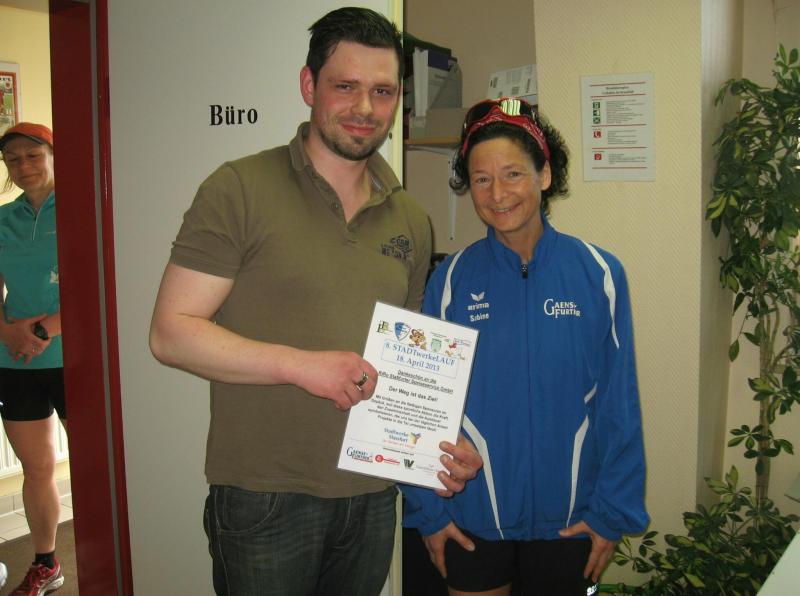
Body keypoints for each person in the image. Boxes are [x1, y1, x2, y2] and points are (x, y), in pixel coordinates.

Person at [149, 7, 481, 596]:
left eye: (382, 91)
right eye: (345, 86)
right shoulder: (239, 188)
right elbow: (171, 333)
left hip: (373, 493)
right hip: (264, 495)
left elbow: (406, 362)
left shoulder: (410, 217)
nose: (365, 108)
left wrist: (440, 444)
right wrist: (302, 366)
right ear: (309, 85)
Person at [400, 97, 649, 596]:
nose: (497, 194)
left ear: (544, 175)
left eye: (513, 174)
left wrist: (611, 512)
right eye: (481, 179)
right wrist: (429, 513)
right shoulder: (450, 281)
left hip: (571, 522)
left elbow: (618, 403)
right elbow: (418, 403)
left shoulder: (599, 274)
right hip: (470, 516)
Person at [0, 122, 66, 595]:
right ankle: (47, 563)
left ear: (52, 156)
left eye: (32, 155)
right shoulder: (3, 219)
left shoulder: (81, 209)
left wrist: (44, 330)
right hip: (16, 360)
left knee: (94, 465)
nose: (22, 165)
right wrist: (6, 332)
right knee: (36, 468)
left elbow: (96, 280)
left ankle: (109, 559)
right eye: (12, 159)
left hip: (74, 358)